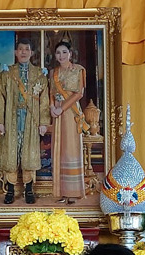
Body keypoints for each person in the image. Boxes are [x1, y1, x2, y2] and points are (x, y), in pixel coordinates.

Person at [0, 37, 50, 205]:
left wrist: (43, 122)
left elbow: (44, 100)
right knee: (11, 153)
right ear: (16, 52)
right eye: (21, 49)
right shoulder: (7, 73)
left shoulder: (39, 74)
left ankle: (29, 189)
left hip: (31, 120)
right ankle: (10, 190)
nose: (24, 52)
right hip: (11, 119)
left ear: (32, 52)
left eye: (27, 49)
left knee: (29, 154)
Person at [49, 40, 87, 203]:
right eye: (58, 53)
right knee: (59, 149)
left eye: (64, 52)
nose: (61, 55)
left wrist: (62, 108)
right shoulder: (53, 72)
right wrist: (52, 107)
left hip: (71, 112)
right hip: (57, 113)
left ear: (70, 54)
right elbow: (51, 93)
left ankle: (74, 192)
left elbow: (79, 93)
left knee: (71, 149)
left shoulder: (78, 70)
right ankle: (62, 192)